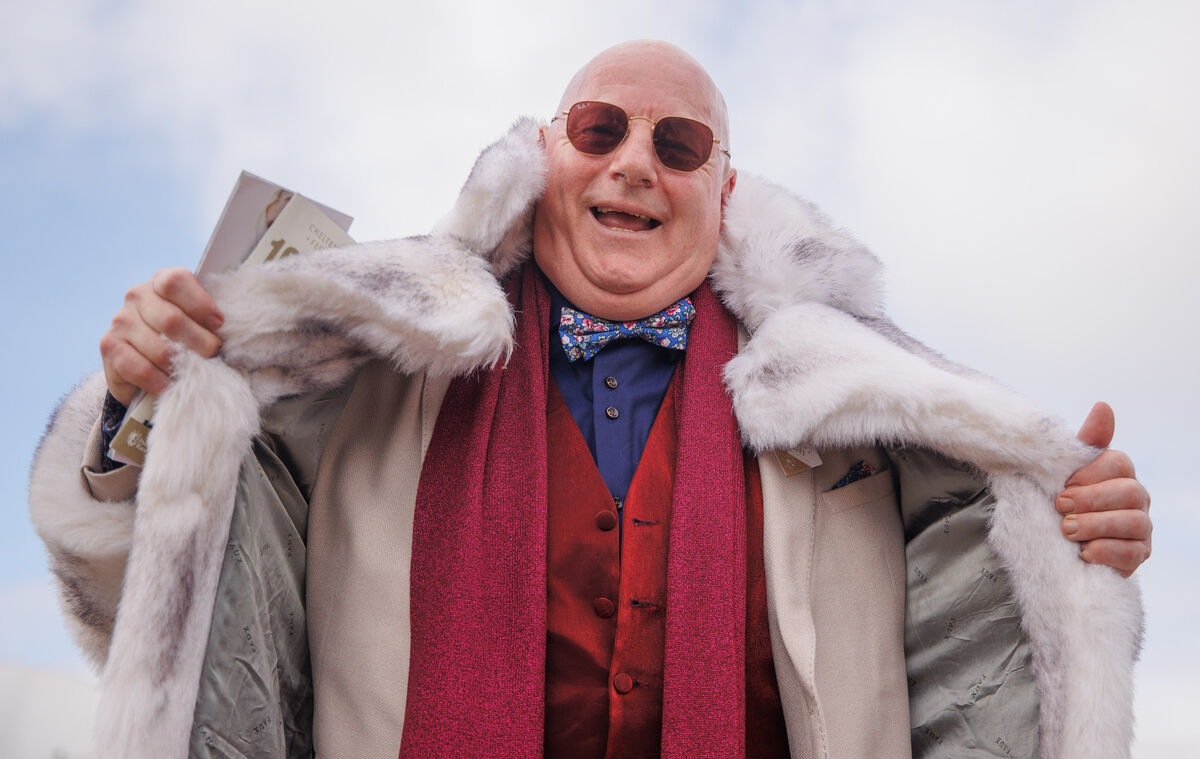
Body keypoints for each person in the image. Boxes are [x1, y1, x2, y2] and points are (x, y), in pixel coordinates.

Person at [31, 41, 1149, 759]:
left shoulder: (859, 413)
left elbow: (983, 628)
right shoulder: (365, 373)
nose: (633, 166)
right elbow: (187, 588)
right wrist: (142, 407)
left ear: (726, 188)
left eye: (679, 144)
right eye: (600, 130)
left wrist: (1070, 527)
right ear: (543, 156)